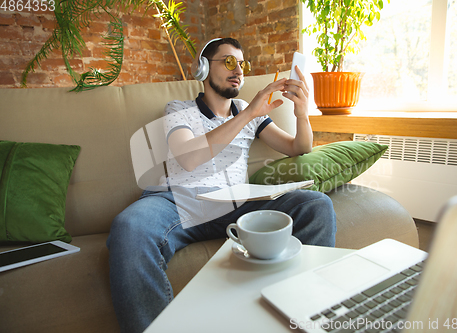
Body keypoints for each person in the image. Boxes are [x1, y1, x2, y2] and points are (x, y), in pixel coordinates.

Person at [107, 37, 336, 333]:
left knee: (316, 205)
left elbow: (297, 147)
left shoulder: (248, 112)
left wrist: (302, 114)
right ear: (203, 67)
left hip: (235, 206)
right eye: (228, 61)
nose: (238, 70)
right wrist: (249, 113)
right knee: (130, 227)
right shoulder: (180, 109)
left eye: (241, 64)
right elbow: (188, 158)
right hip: (178, 203)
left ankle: (300, 318)